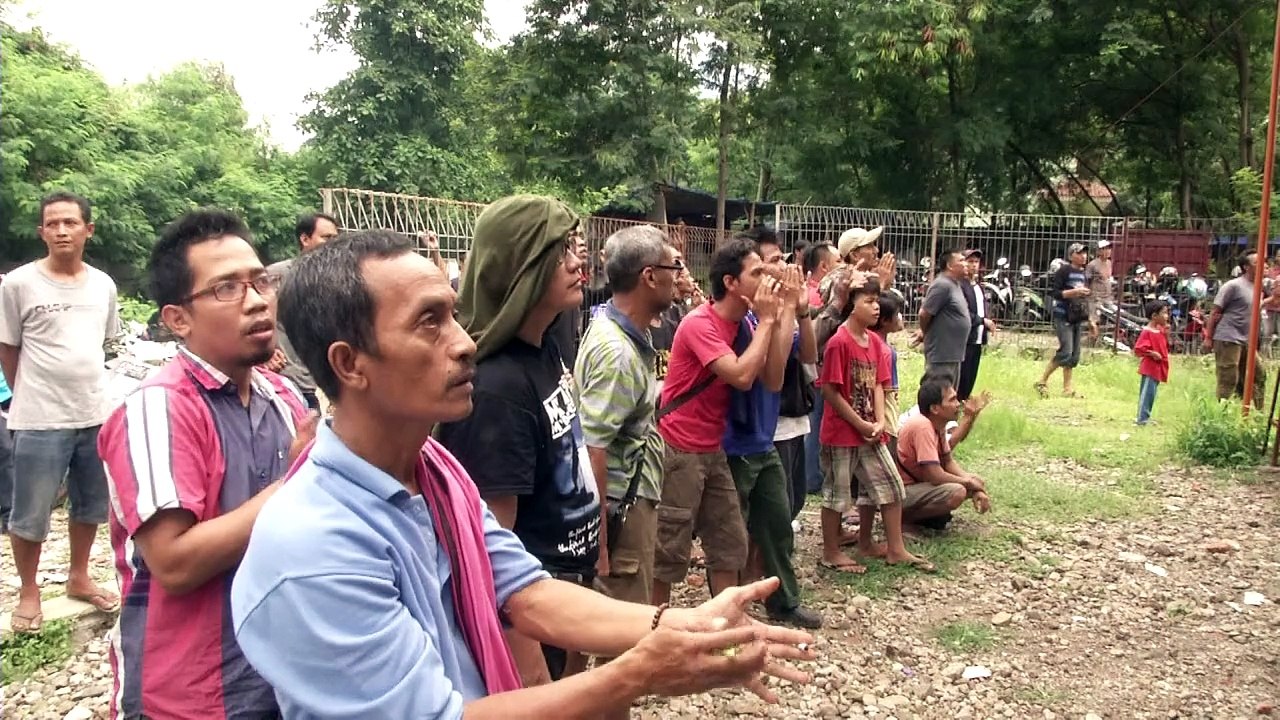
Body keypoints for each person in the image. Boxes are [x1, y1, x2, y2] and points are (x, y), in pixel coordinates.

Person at [229, 230, 815, 719]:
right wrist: (639, 673)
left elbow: (523, 591)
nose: (463, 344)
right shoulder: (313, 548)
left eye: (454, 315)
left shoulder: (435, 473)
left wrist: (684, 624)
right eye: (429, 323)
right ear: (348, 363)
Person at [97, 208, 315, 719]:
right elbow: (174, 562)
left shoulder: (280, 394)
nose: (258, 300)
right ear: (178, 319)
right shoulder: (158, 408)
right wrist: (299, 480)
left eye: (260, 281)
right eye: (226, 289)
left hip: (279, 674)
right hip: (190, 693)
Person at [436, 197, 601, 685]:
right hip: (531, 609)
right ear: (520, 266)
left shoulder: (544, 347)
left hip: (565, 591)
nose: (578, 261)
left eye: (575, 246)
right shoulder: (496, 386)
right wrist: (533, 675)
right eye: (559, 251)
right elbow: (492, 549)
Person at [0, 191, 121, 633]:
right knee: (29, 512)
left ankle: (79, 575)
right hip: (38, 418)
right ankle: (29, 590)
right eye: (52, 224)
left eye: (70, 223)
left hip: (94, 412)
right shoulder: (19, 284)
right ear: (41, 232)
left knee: (90, 505)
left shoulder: (103, 285)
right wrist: (27, 396)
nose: (61, 231)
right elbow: (8, 348)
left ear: (88, 229)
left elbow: (103, 344)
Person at [652, 239, 784, 606]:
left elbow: (773, 380)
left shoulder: (748, 324)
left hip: (714, 449)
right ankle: (652, 632)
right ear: (731, 283)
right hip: (680, 450)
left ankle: (727, 626)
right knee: (668, 550)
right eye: (756, 272)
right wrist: (770, 321)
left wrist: (786, 314)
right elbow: (741, 376)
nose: (766, 278)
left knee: (729, 544)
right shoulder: (700, 325)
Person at [722, 231, 821, 629]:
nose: (781, 268)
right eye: (769, 264)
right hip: (734, 439)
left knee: (779, 520)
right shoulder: (737, 319)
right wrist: (773, 316)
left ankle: (781, 601)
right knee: (734, 532)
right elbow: (760, 377)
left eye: (781, 260)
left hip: (762, 437)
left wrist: (792, 311)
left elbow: (791, 367)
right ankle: (735, 608)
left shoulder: (766, 314)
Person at [818, 277, 932, 574]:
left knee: (891, 486)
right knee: (837, 494)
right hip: (841, 433)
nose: (875, 307)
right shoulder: (839, 343)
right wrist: (858, 421)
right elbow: (830, 390)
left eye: (876, 301)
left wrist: (879, 420)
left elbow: (881, 386)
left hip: (871, 431)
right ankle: (831, 551)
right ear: (850, 305)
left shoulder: (876, 344)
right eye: (867, 301)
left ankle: (895, 548)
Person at [265, 212, 341, 410]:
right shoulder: (277, 276)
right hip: (285, 379)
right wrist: (268, 352)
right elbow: (254, 317)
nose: (333, 244)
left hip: (318, 382)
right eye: (326, 238)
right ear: (305, 239)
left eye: (335, 238)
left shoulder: (334, 281)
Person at [894, 378, 991, 532]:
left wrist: (973, 483)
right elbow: (934, 475)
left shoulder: (937, 426)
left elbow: (947, 461)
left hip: (919, 486)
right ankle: (903, 519)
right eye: (952, 400)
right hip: (903, 491)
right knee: (957, 491)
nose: (958, 404)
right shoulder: (923, 426)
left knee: (975, 480)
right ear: (935, 408)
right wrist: (968, 483)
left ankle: (923, 517)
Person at [1204, 251, 1266, 406]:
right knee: (1229, 378)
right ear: (1246, 267)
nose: (1264, 266)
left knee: (1259, 375)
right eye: (1257, 263)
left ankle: (1255, 414)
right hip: (1228, 337)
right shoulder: (1233, 286)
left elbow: (1254, 307)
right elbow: (1215, 311)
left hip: (1246, 339)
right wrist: (1208, 337)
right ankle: (1222, 412)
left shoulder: (1258, 287)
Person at [1036, 243, 1091, 398]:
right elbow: (1055, 293)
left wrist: (1090, 318)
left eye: (1085, 253)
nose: (1083, 256)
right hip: (1063, 315)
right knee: (1066, 351)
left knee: (1074, 355)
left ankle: (1067, 388)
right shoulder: (1064, 271)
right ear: (1071, 255)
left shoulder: (1083, 273)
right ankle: (1042, 380)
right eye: (1080, 253)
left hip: (1077, 316)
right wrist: (1074, 292)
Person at [916, 249, 971, 385]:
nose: (966, 264)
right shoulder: (942, 285)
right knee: (938, 394)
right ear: (950, 265)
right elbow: (924, 313)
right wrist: (925, 332)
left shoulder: (955, 285)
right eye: (961, 260)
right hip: (941, 355)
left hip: (953, 354)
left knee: (949, 396)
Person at [957, 249, 996, 401]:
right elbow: (963, 312)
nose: (974, 265)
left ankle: (963, 403)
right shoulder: (960, 286)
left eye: (976, 262)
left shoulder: (978, 286)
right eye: (970, 261)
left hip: (977, 339)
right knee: (962, 375)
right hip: (965, 339)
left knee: (971, 375)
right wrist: (983, 321)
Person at [1135, 300, 1171, 426]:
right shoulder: (1147, 332)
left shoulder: (1159, 330)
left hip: (1157, 368)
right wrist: (1152, 353)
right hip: (1150, 368)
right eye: (1164, 313)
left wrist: (1166, 333)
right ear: (1154, 316)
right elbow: (1139, 349)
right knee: (1147, 393)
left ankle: (1145, 416)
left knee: (1151, 393)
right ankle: (1142, 418)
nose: (1167, 316)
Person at [1086, 240, 1114, 340]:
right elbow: (1087, 280)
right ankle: (1091, 340)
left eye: (1108, 249)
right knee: (1094, 320)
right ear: (1098, 251)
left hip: (1107, 296)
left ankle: (1102, 339)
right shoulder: (1092, 265)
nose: (1107, 251)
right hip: (1095, 297)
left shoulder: (1109, 263)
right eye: (1104, 249)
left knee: (1109, 318)